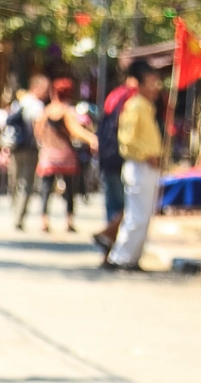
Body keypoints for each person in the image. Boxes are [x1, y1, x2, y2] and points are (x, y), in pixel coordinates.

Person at [107, 59, 166, 270]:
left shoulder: (146, 106)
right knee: (136, 216)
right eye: (151, 81)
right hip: (139, 165)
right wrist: (146, 155)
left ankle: (131, 257)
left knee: (143, 215)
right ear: (139, 83)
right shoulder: (135, 106)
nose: (156, 87)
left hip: (147, 167)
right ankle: (120, 257)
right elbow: (128, 140)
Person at [30, 77, 96, 234]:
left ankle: (44, 220)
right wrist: (92, 139)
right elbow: (75, 131)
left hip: (48, 156)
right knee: (69, 190)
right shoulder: (67, 112)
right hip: (66, 155)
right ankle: (69, 220)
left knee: (46, 189)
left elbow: (37, 132)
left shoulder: (45, 112)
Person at [93, 64, 143, 255]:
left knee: (112, 205)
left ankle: (108, 248)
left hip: (107, 157)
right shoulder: (132, 99)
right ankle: (110, 240)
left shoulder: (114, 95)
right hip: (121, 157)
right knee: (126, 207)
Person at [5, 74, 49, 230]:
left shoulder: (20, 101)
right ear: (36, 87)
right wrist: (42, 145)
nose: (47, 92)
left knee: (15, 182)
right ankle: (18, 217)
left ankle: (13, 213)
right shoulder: (37, 105)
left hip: (15, 147)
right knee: (25, 183)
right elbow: (38, 127)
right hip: (29, 149)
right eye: (45, 88)